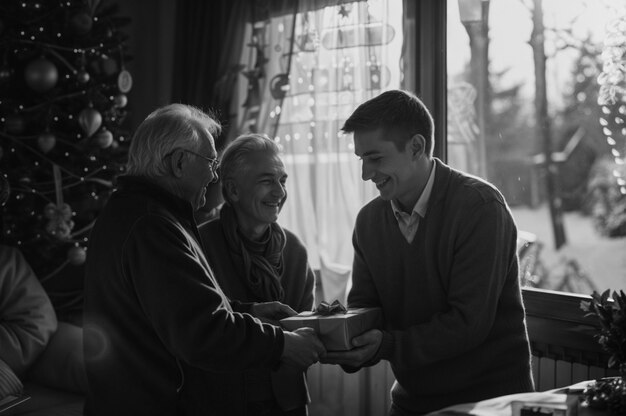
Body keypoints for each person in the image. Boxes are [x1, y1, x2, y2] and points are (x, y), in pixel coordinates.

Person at [82, 104, 325, 416]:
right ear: (180, 162)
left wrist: (249, 310)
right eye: (210, 163)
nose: (214, 177)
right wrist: (283, 345)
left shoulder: (137, 213)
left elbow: (179, 307)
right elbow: (202, 330)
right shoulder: (152, 226)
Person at [321, 90, 534, 415]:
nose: (365, 174)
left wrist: (385, 344)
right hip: (411, 403)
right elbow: (366, 307)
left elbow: (468, 323)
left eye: (375, 158)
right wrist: (346, 337)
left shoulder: (480, 208)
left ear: (417, 147)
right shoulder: (369, 221)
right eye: (361, 159)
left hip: (490, 403)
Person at [183, 133, 316, 415]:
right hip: (218, 403)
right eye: (267, 181)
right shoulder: (200, 245)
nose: (280, 193)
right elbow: (195, 330)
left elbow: (307, 331)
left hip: (285, 401)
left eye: (282, 180)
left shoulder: (295, 251)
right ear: (232, 191)